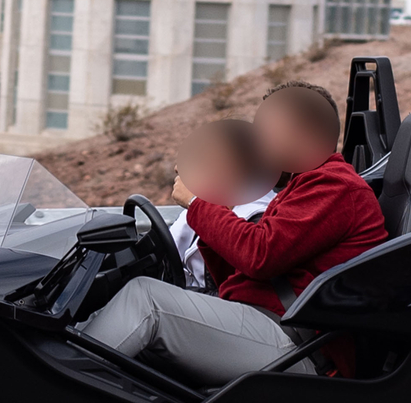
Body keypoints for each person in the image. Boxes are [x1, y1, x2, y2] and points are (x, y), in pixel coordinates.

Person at [78, 81, 387, 386]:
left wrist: (197, 204)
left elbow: (260, 255)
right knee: (110, 324)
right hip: (275, 326)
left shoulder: (335, 186)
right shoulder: (300, 186)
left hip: (298, 344)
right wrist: (217, 207)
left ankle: (65, 385)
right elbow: (247, 271)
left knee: (145, 299)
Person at [164, 117, 276, 292]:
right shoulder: (205, 205)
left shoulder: (258, 218)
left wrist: (194, 202)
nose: (179, 168)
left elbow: (234, 290)